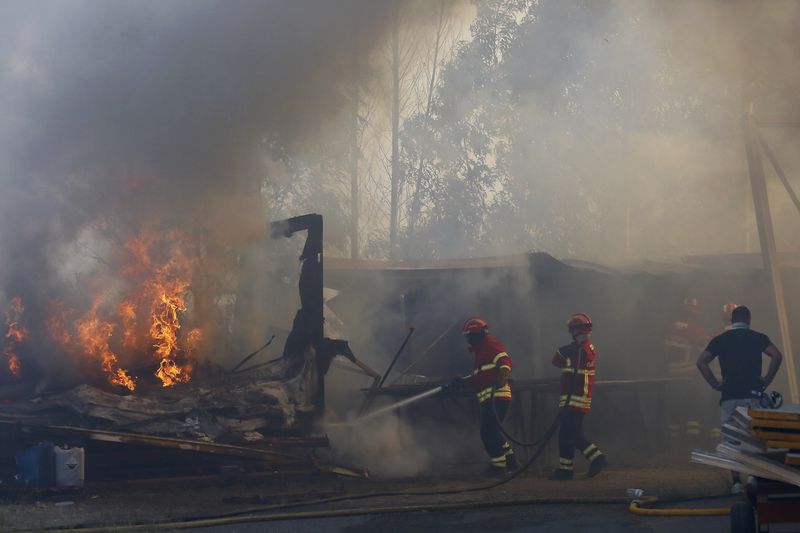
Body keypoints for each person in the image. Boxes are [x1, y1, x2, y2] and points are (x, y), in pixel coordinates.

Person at [696, 305, 783, 493]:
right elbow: (776, 356)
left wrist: (715, 383)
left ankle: (736, 482)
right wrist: (766, 380)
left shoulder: (720, 340)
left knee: (731, 440)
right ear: (749, 320)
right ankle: (752, 476)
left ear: (731, 321)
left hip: (729, 396)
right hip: (753, 396)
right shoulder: (758, 338)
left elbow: (701, 361)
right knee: (753, 438)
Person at [548, 313, 607, 480]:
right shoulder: (586, 349)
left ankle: (597, 457)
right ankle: (565, 469)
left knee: (573, 434)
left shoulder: (580, 351)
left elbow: (556, 361)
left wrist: (563, 350)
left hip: (575, 400)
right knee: (565, 434)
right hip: (575, 399)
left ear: (574, 331)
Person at [460, 316, 519, 474]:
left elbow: (505, 362)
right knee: (493, 431)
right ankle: (510, 460)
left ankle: (498, 465)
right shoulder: (481, 352)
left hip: (496, 397)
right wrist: (462, 383)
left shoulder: (490, 345)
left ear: (477, 334)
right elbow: (481, 378)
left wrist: (502, 376)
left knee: (487, 432)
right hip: (491, 399)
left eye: (469, 336)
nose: (468, 340)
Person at [664, 297, 710, 445]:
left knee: (675, 412)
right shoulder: (695, 329)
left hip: (672, 377)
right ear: (696, 312)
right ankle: (691, 445)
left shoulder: (672, 327)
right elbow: (705, 349)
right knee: (692, 411)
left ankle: (674, 444)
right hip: (688, 377)